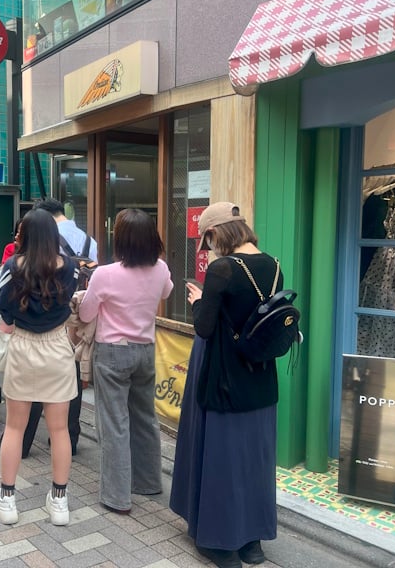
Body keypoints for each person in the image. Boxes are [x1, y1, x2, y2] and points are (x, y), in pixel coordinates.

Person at [170, 202, 281, 568]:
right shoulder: (274, 264)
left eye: (209, 239)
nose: (210, 247)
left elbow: (204, 326)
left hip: (225, 378)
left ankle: (222, 544)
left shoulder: (222, 269)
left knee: (224, 458)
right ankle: (253, 544)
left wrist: (200, 299)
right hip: (261, 377)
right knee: (255, 460)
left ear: (217, 233)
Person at [78, 209, 173, 515]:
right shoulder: (161, 269)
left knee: (114, 423)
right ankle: (148, 482)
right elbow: (167, 292)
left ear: (119, 239)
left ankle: (117, 496)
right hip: (145, 350)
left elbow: (85, 315)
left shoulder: (104, 274)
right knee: (145, 417)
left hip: (113, 352)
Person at [0, 209, 78, 526]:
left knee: (14, 427)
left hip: (23, 347)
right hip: (57, 347)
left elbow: (5, 312)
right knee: (59, 430)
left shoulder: (12, 267)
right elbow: (69, 302)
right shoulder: (71, 267)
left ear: (24, 236)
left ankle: (8, 499)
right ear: (54, 236)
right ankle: (59, 502)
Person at [0, 197, 94, 458]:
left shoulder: (14, 266)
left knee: (18, 418)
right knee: (61, 425)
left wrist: (14, 322)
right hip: (64, 332)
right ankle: (61, 486)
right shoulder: (86, 244)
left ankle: (11, 479)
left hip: (25, 338)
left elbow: (4, 305)